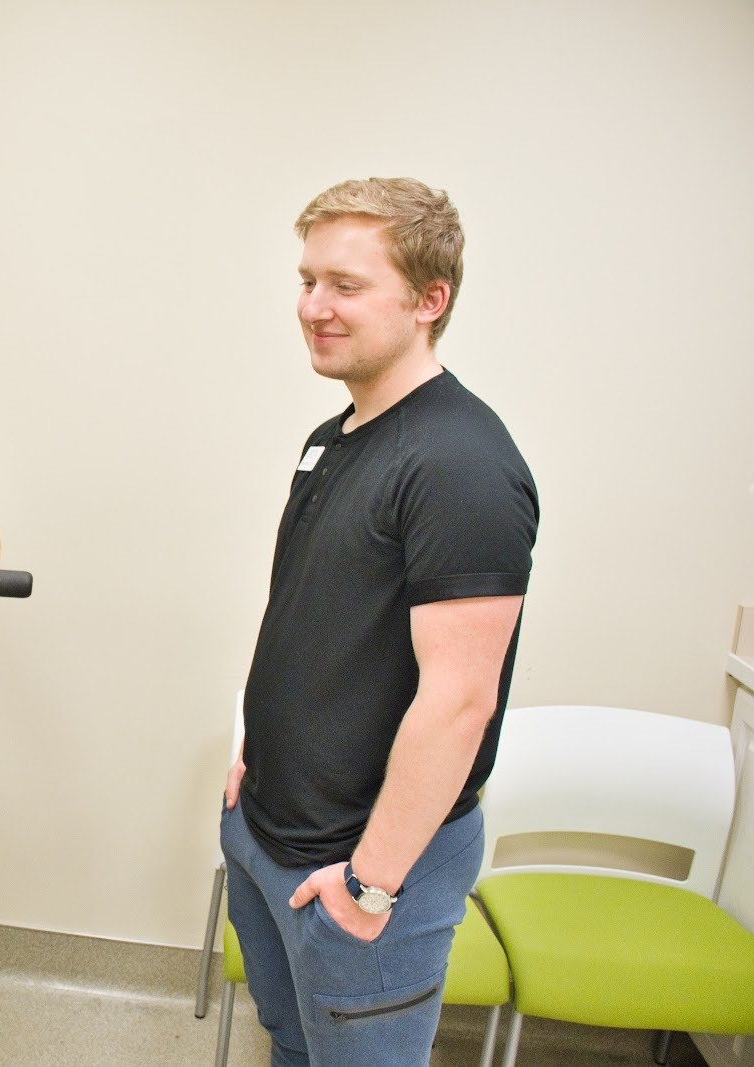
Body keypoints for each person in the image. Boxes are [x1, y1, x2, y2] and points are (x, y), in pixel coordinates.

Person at [221, 177, 538, 1065]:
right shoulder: (338, 433)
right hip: (269, 830)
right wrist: (255, 741)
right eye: (308, 279)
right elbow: (311, 618)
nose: (313, 307)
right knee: (289, 1046)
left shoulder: (460, 464)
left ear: (430, 300)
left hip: (362, 868)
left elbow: (459, 700)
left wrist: (371, 881)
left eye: (346, 286)